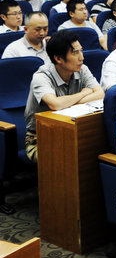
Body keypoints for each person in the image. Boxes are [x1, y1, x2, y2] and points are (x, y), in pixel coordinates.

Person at [24, 30, 104, 162]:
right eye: (75, 53)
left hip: (73, 132)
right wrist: (84, 93)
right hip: (41, 139)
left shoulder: (82, 69)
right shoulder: (41, 76)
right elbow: (55, 104)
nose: (81, 57)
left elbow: (100, 94)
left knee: (94, 151)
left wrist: (67, 103)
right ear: (58, 59)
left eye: (81, 51)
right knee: (69, 158)